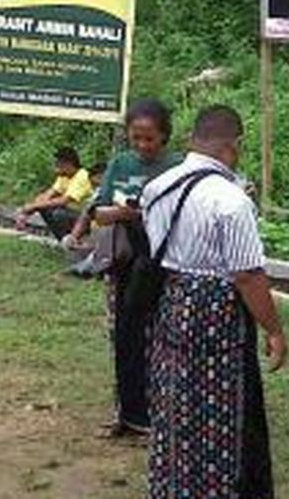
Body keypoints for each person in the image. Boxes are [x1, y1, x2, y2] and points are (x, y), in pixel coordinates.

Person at [142, 105, 288, 498]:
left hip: (171, 303)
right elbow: (247, 275)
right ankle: (218, 486)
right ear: (234, 146)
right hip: (216, 312)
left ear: (193, 140)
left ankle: (174, 484)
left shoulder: (157, 188)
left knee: (175, 400)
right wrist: (274, 329)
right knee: (221, 404)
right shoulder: (231, 200)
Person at [93, 99, 184, 438]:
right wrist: (123, 213)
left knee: (162, 338)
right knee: (124, 336)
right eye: (137, 138)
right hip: (127, 261)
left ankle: (163, 412)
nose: (144, 146)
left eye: (150, 139)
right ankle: (129, 413)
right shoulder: (120, 164)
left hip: (167, 262)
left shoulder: (180, 165)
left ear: (164, 136)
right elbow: (98, 212)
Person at [16, 147, 93, 240]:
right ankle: (63, 240)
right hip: (72, 214)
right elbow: (47, 195)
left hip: (86, 219)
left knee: (58, 213)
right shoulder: (64, 176)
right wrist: (27, 212)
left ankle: (75, 239)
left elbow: (64, 201)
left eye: (58, 164)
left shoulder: (82, 176)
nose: (55, 167)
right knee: (45, 208)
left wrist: (33, 206)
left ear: (68, 164)